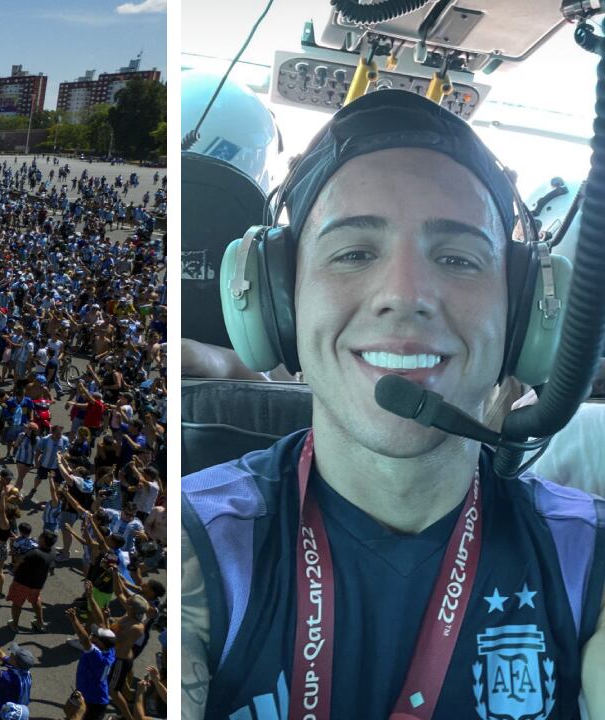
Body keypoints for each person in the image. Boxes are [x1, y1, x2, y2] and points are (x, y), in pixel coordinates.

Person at [181, 89, 605, 717]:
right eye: (353, 252)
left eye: (459, 258)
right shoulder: (200, 548)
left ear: (523, 318)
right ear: (277, 304)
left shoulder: (587, 562)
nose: (406, 295)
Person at [67, 609, 115, 720]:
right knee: (68, 710)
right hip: (87, 693)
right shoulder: (110, 649)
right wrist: (106, 618)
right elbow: (103, 625)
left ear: (101, 643)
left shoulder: (98, 656)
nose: (92, 635)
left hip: (93, 701)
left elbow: (84, 639)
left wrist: (74, 620)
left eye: (95, 636)